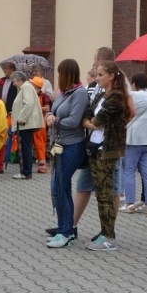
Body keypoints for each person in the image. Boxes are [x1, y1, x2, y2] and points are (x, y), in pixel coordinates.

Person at [80, 60, 128, 251]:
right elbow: (87, 116)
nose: (97, 78)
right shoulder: (100, 95)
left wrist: (91, 122)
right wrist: (90, 122)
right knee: (100, 194)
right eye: (97, 75)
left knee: (106, 194)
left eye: (100, 75)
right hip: (94, 148)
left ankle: (108, 236)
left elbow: (98, 120)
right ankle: (103, 233)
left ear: (111, 76)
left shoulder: (116, 96)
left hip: (107, 150)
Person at [44, 59, 88, 248]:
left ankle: (66, 232)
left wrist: (55, 120)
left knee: (61, 187)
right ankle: (64, 227)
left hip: (72, 145)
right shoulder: (63, 93)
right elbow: (52, 112)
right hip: (59, 145)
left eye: (60, 73)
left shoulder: (79, 94)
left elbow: (74, 121)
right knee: (58, 188)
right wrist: (48, 116)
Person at [120, 73, 147, 215]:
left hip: (134, 140)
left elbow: (124, 101)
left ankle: (130, 203)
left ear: (135, 83)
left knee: (129, 170)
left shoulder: (135, 95)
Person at [9, 71, 43, 180]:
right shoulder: (25, 87)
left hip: (25, 123)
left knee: (25, 147)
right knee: (25, 147)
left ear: (19, 79)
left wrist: (21, 118)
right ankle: (26, 172)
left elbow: (28, 103)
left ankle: (26, 172)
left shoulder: (26, 87)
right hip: (25, 123)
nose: (13, 84)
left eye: (14, 81)